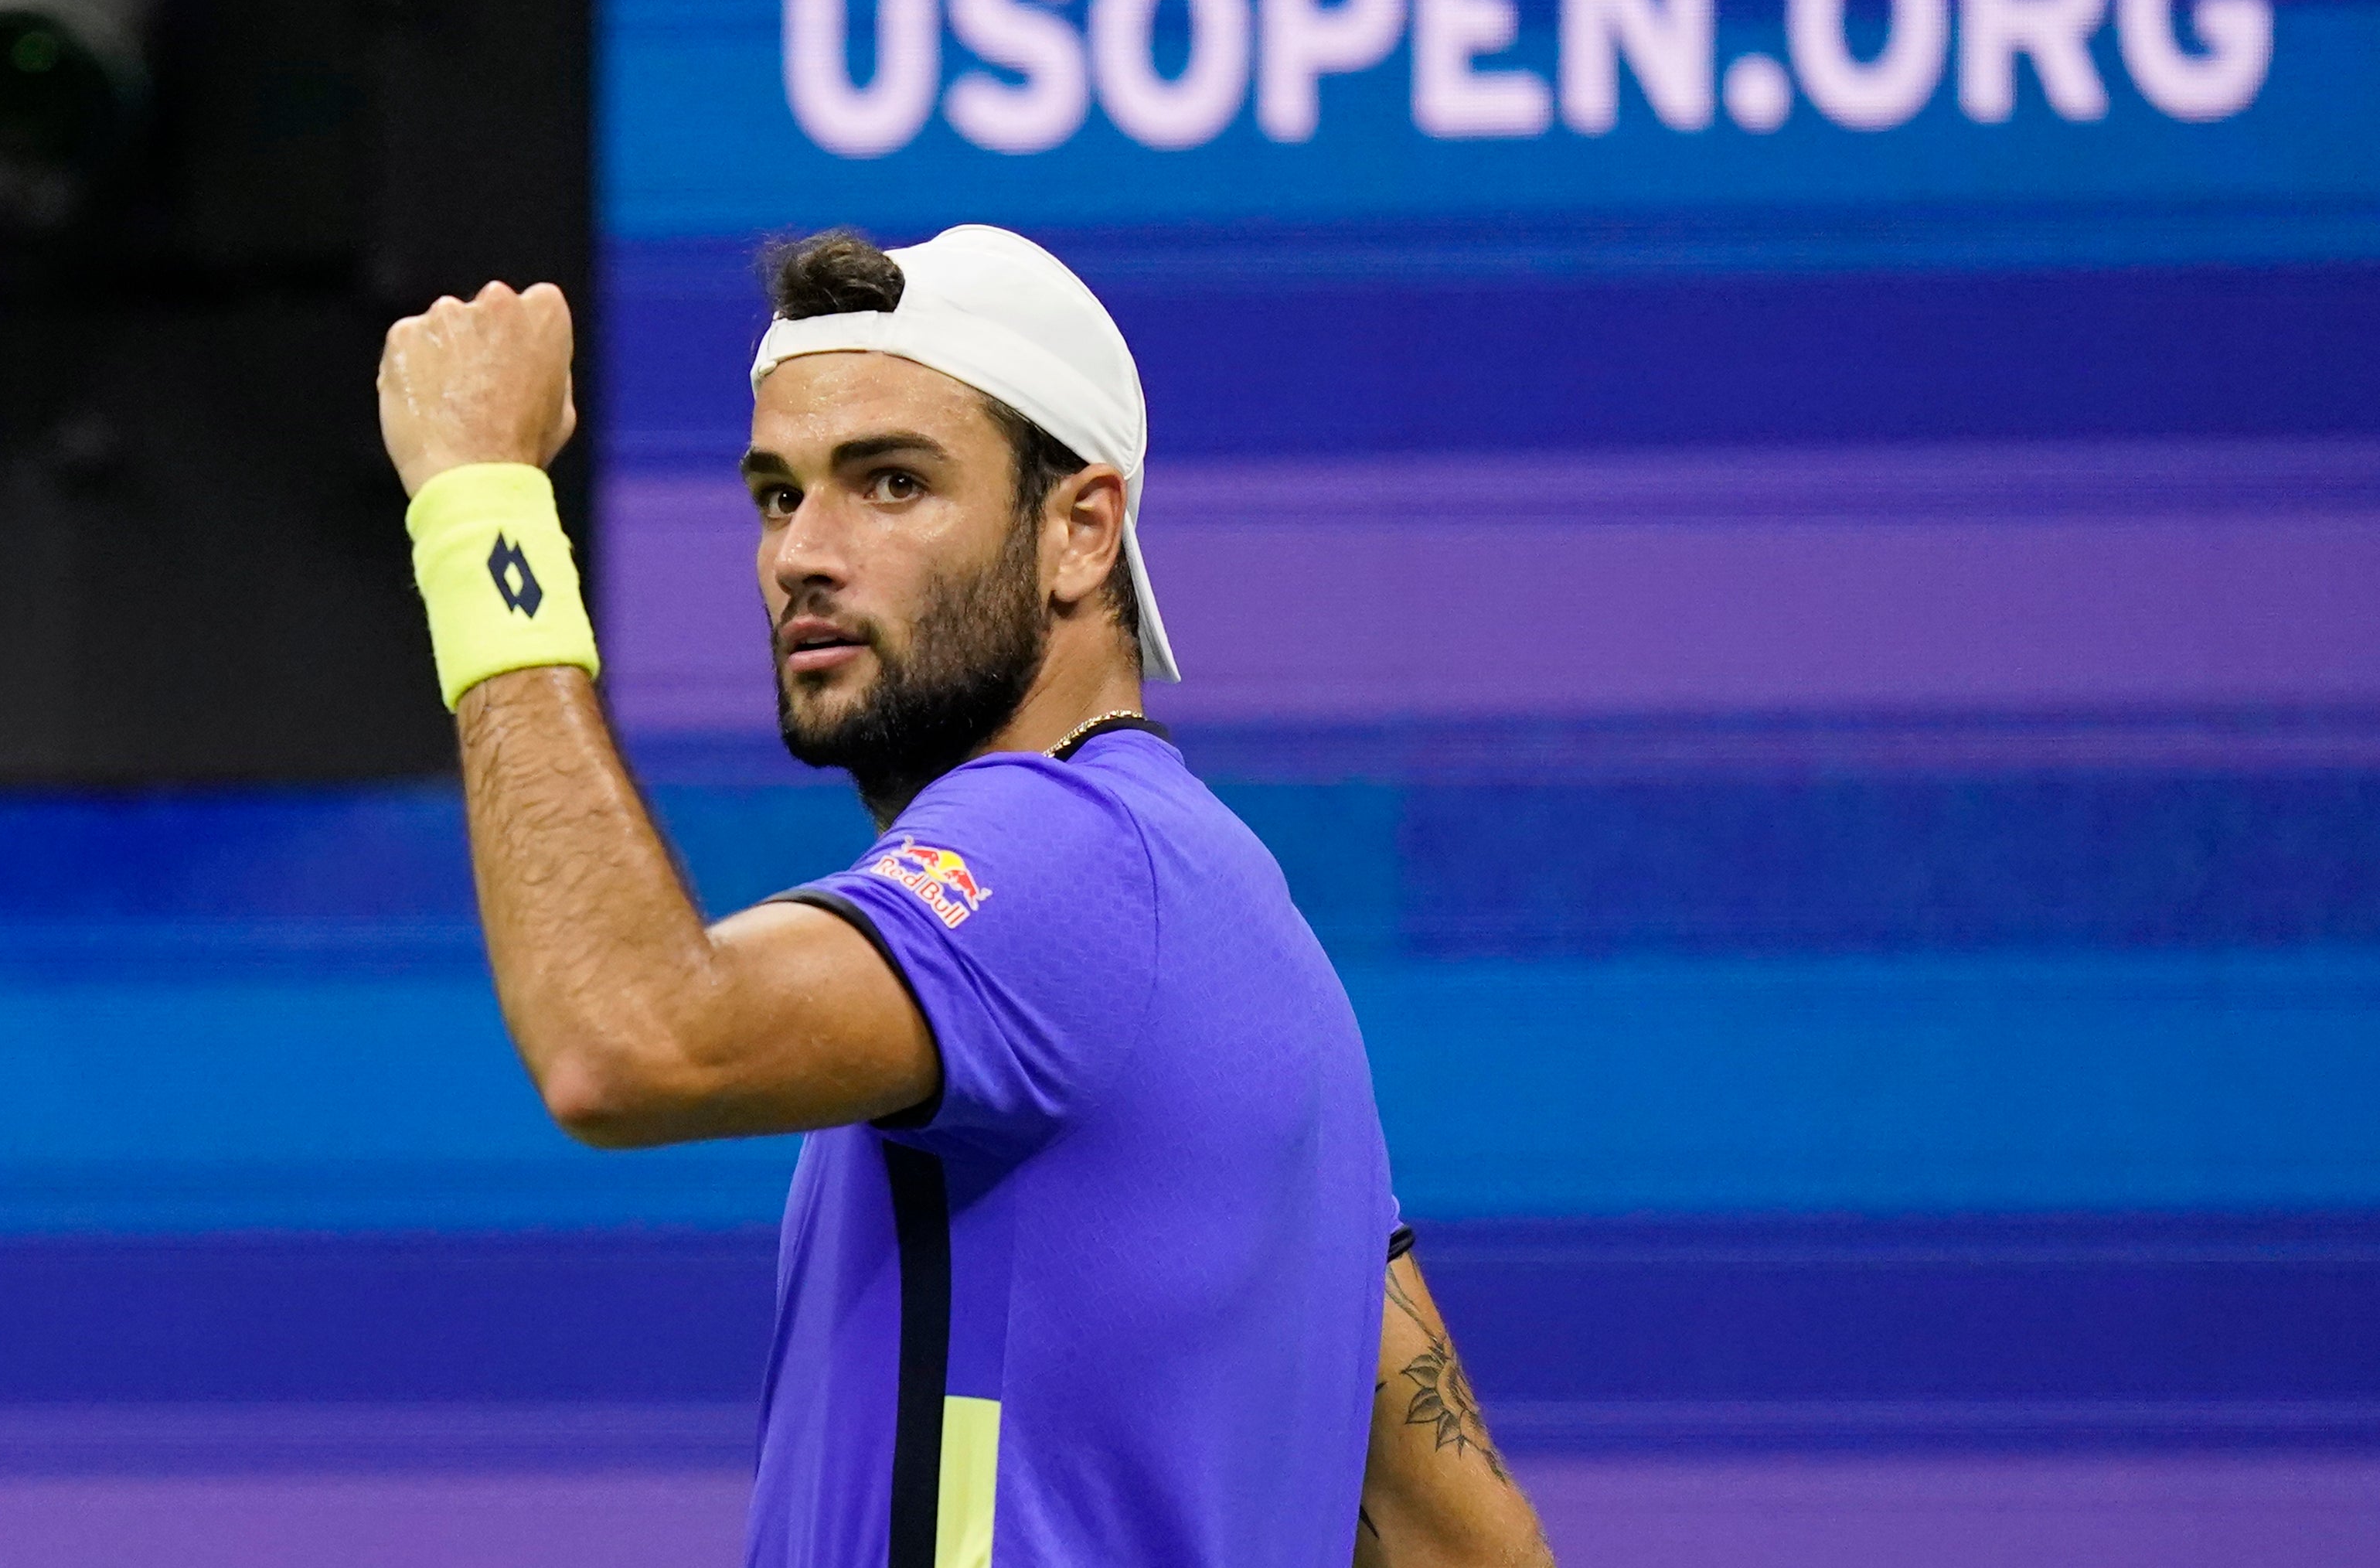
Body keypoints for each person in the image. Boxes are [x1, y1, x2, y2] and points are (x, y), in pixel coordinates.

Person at [376, 224, 1551, 1567]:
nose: (802, 553)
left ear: (1080, 531)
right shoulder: (1239, 924)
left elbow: (627, 1037)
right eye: (777, 493)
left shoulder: (1057, 854)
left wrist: (481, 506)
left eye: (890, 484)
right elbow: (1469, 1544)